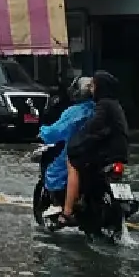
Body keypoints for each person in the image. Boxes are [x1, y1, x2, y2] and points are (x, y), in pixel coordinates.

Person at [61, 70, 131, 222]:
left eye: (93, 85)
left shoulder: (103, 105)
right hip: (120, 151)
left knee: (72, 162)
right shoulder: (115, 104)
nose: (91, 89)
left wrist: (78, 138)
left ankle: (67, 212)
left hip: (108, 151)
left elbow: (94, 126)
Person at [37, 76, 94, 222]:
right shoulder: (99, 109)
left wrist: (43, 132)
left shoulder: (75, 112)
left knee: (55, 171)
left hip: (77, 149)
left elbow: (57, 131)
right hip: (100, 152)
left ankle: (60, 205)